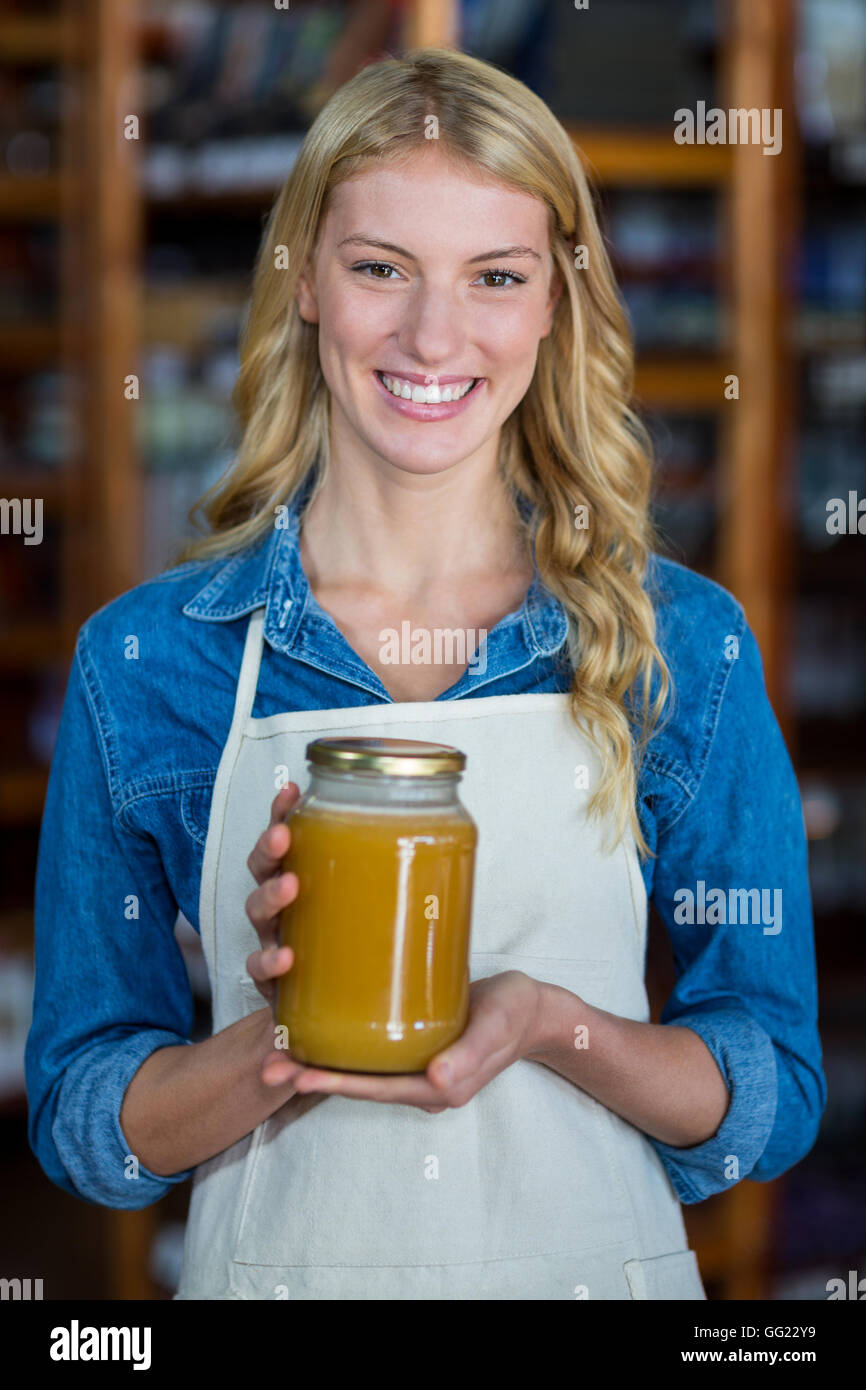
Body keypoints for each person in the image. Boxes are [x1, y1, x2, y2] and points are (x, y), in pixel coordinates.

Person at [26, 48, 825, 1301]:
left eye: (494, 277)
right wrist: (284, 1043)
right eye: (379, 268)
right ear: (303, 281)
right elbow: (86, 1119)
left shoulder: (679, 642)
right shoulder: (151, 661)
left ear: (554, 303)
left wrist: (546, 1022)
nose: (432, 335)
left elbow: (767, 1091)